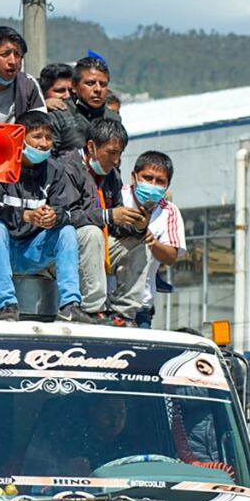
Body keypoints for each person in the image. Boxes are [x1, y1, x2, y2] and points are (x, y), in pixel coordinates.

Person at [0, 110, 95, 323]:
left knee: (66, 231)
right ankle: (7, 304)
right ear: (20, 139)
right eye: (37, 137)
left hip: (32, 252)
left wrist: (53, 216)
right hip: (1, 249)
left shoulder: (55, 170)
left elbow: (66, 211)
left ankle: (70, 305)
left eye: (48, 137)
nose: (44, 143)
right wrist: (27, 216)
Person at [61, 117, 151, 325]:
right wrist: (108, 216)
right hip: (67, 248)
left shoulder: (112, 175)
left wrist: (137, 226)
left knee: (140, 245)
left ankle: (123, 313)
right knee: (91, 232)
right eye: (111, 153)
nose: (116, 160)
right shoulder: (67, 168)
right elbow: (65, 216)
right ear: (91, 147)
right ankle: (93, 310)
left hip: (101, 244)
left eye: (119, 154)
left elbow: (116, 224)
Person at [120, 151, 185, 328]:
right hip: (105, 306)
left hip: (140, 308)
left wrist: (152, 242)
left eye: (160, 181)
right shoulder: (118, 197)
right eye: (147, 178)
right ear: (134, 177)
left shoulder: (169, 212)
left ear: (167, 185)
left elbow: (171, 256)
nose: (152, 185)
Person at [48, 55, 120, 156]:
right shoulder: (58, 116)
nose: (98, 89)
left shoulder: (114, 119)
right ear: (74, 86)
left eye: (103, 84)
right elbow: (48, 163)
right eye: (90, 83)